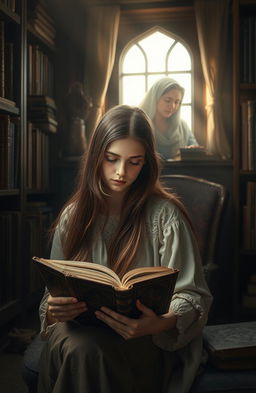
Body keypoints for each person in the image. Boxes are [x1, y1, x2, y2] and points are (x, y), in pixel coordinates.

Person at [38, 105, 212, 393]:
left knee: (85, 353)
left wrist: (154, 324)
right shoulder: (73, 216)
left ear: (146, 163)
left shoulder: (165, 216)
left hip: (143, 341)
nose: (121, 172)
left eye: (134, 162)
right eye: (111, 159)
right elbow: (52, 293)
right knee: (82, 348)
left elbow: (193, 294)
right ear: (96, 157)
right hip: (77, 333)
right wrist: (55, 310)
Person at [139, 77, 198, 160]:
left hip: (180, 172)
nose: (172, 106)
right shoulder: (140, 125)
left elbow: (195, 149)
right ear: (155, 98)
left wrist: (192, 151)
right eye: (167, 100)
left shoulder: (182, 126)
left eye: (177, 102)